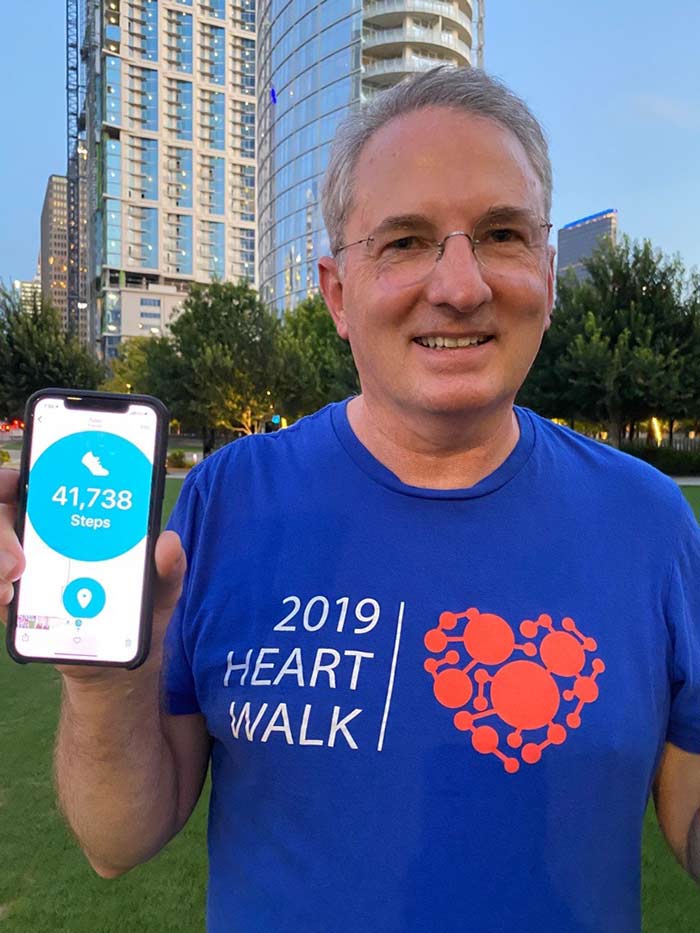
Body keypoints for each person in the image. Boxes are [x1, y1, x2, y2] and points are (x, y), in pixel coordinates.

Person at [2, 65, 700, 933]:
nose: (460, 285)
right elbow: (118, 841)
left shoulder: (650, 523)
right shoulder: (229, 501)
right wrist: (101, 679)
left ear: (549, 277)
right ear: (337, 294)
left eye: (503, 234)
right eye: (405, 241)